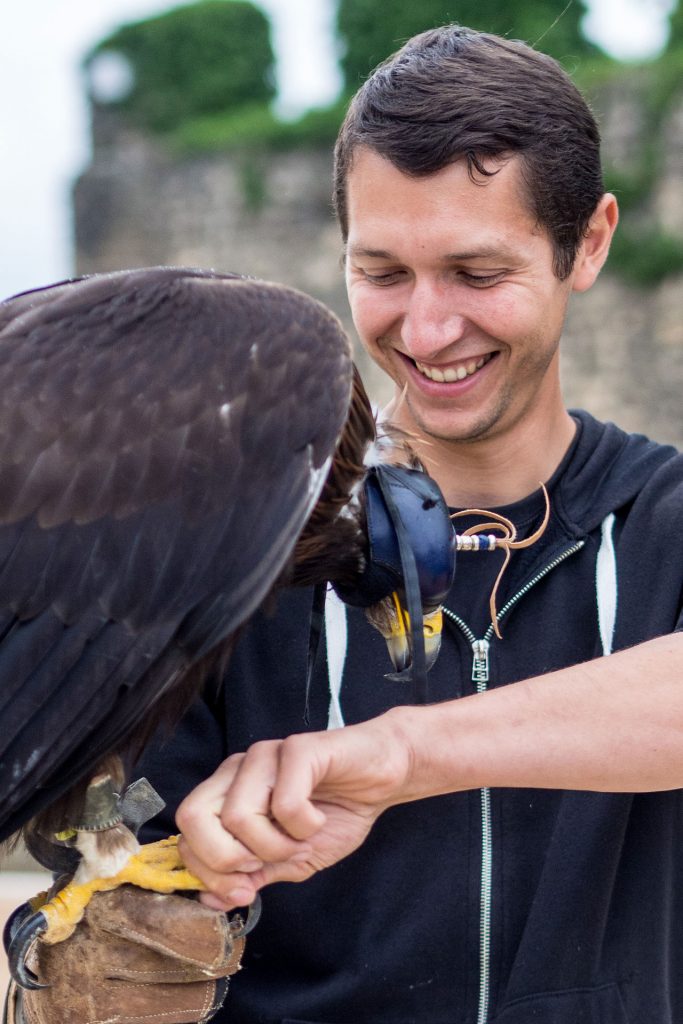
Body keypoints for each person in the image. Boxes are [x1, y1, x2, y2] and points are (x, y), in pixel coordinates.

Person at [17, 23, 683, 1024]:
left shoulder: (661, 519)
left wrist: (402, 753)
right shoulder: (230, 537)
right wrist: (49, 969)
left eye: (475, 273)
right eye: (380, 273)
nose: (423, 330)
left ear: (585, 243)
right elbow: (95, 819)